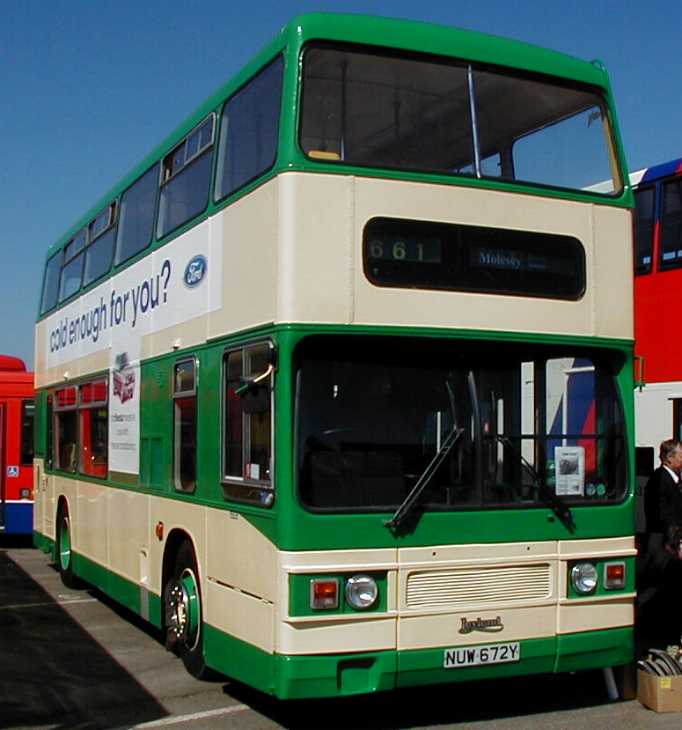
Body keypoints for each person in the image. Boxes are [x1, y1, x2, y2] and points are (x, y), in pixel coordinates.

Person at [642, 439, 682, 641]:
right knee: (656, 584)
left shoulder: (672, 479)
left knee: (666, 585)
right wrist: (674, 541)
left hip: (666, 539)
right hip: (661, 542)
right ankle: (649, 628)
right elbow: (663, 513)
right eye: (680, 454)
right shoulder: (661, 479)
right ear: (670, 457)